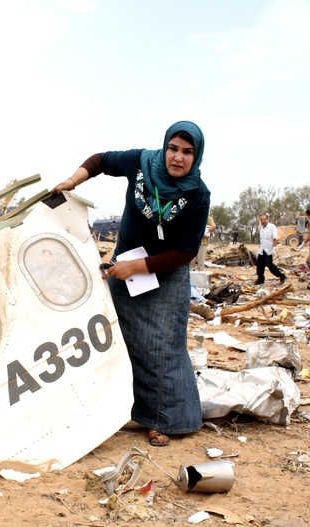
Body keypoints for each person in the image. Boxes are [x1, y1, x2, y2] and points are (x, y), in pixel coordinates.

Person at [51, 120, 209, 447]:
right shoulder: (141, 163)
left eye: (187, 152)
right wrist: (73, 180)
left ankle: (164, 420)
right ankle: (129, 411)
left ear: (196, 156)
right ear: (164, 147)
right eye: (173, 148)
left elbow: (185, 251)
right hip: (124, 270)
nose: (177, 157)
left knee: (161, 348)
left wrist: (136, 266)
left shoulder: (197, 194)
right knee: (123, 341)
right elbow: (101, 161)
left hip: (163, 275)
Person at [255, 214, 286, 285]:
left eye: (264, 220)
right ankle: (260, 280)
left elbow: (275, 238)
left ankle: (281, 276)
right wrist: (259, 249)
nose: (263, 221)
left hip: (269, 249)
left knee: (269, 264)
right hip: (262, 249)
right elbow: (262, 240)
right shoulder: (261, 228)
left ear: (267, 219)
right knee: (259, 265)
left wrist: (274, 248)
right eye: (261, 220)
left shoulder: (272, 227)